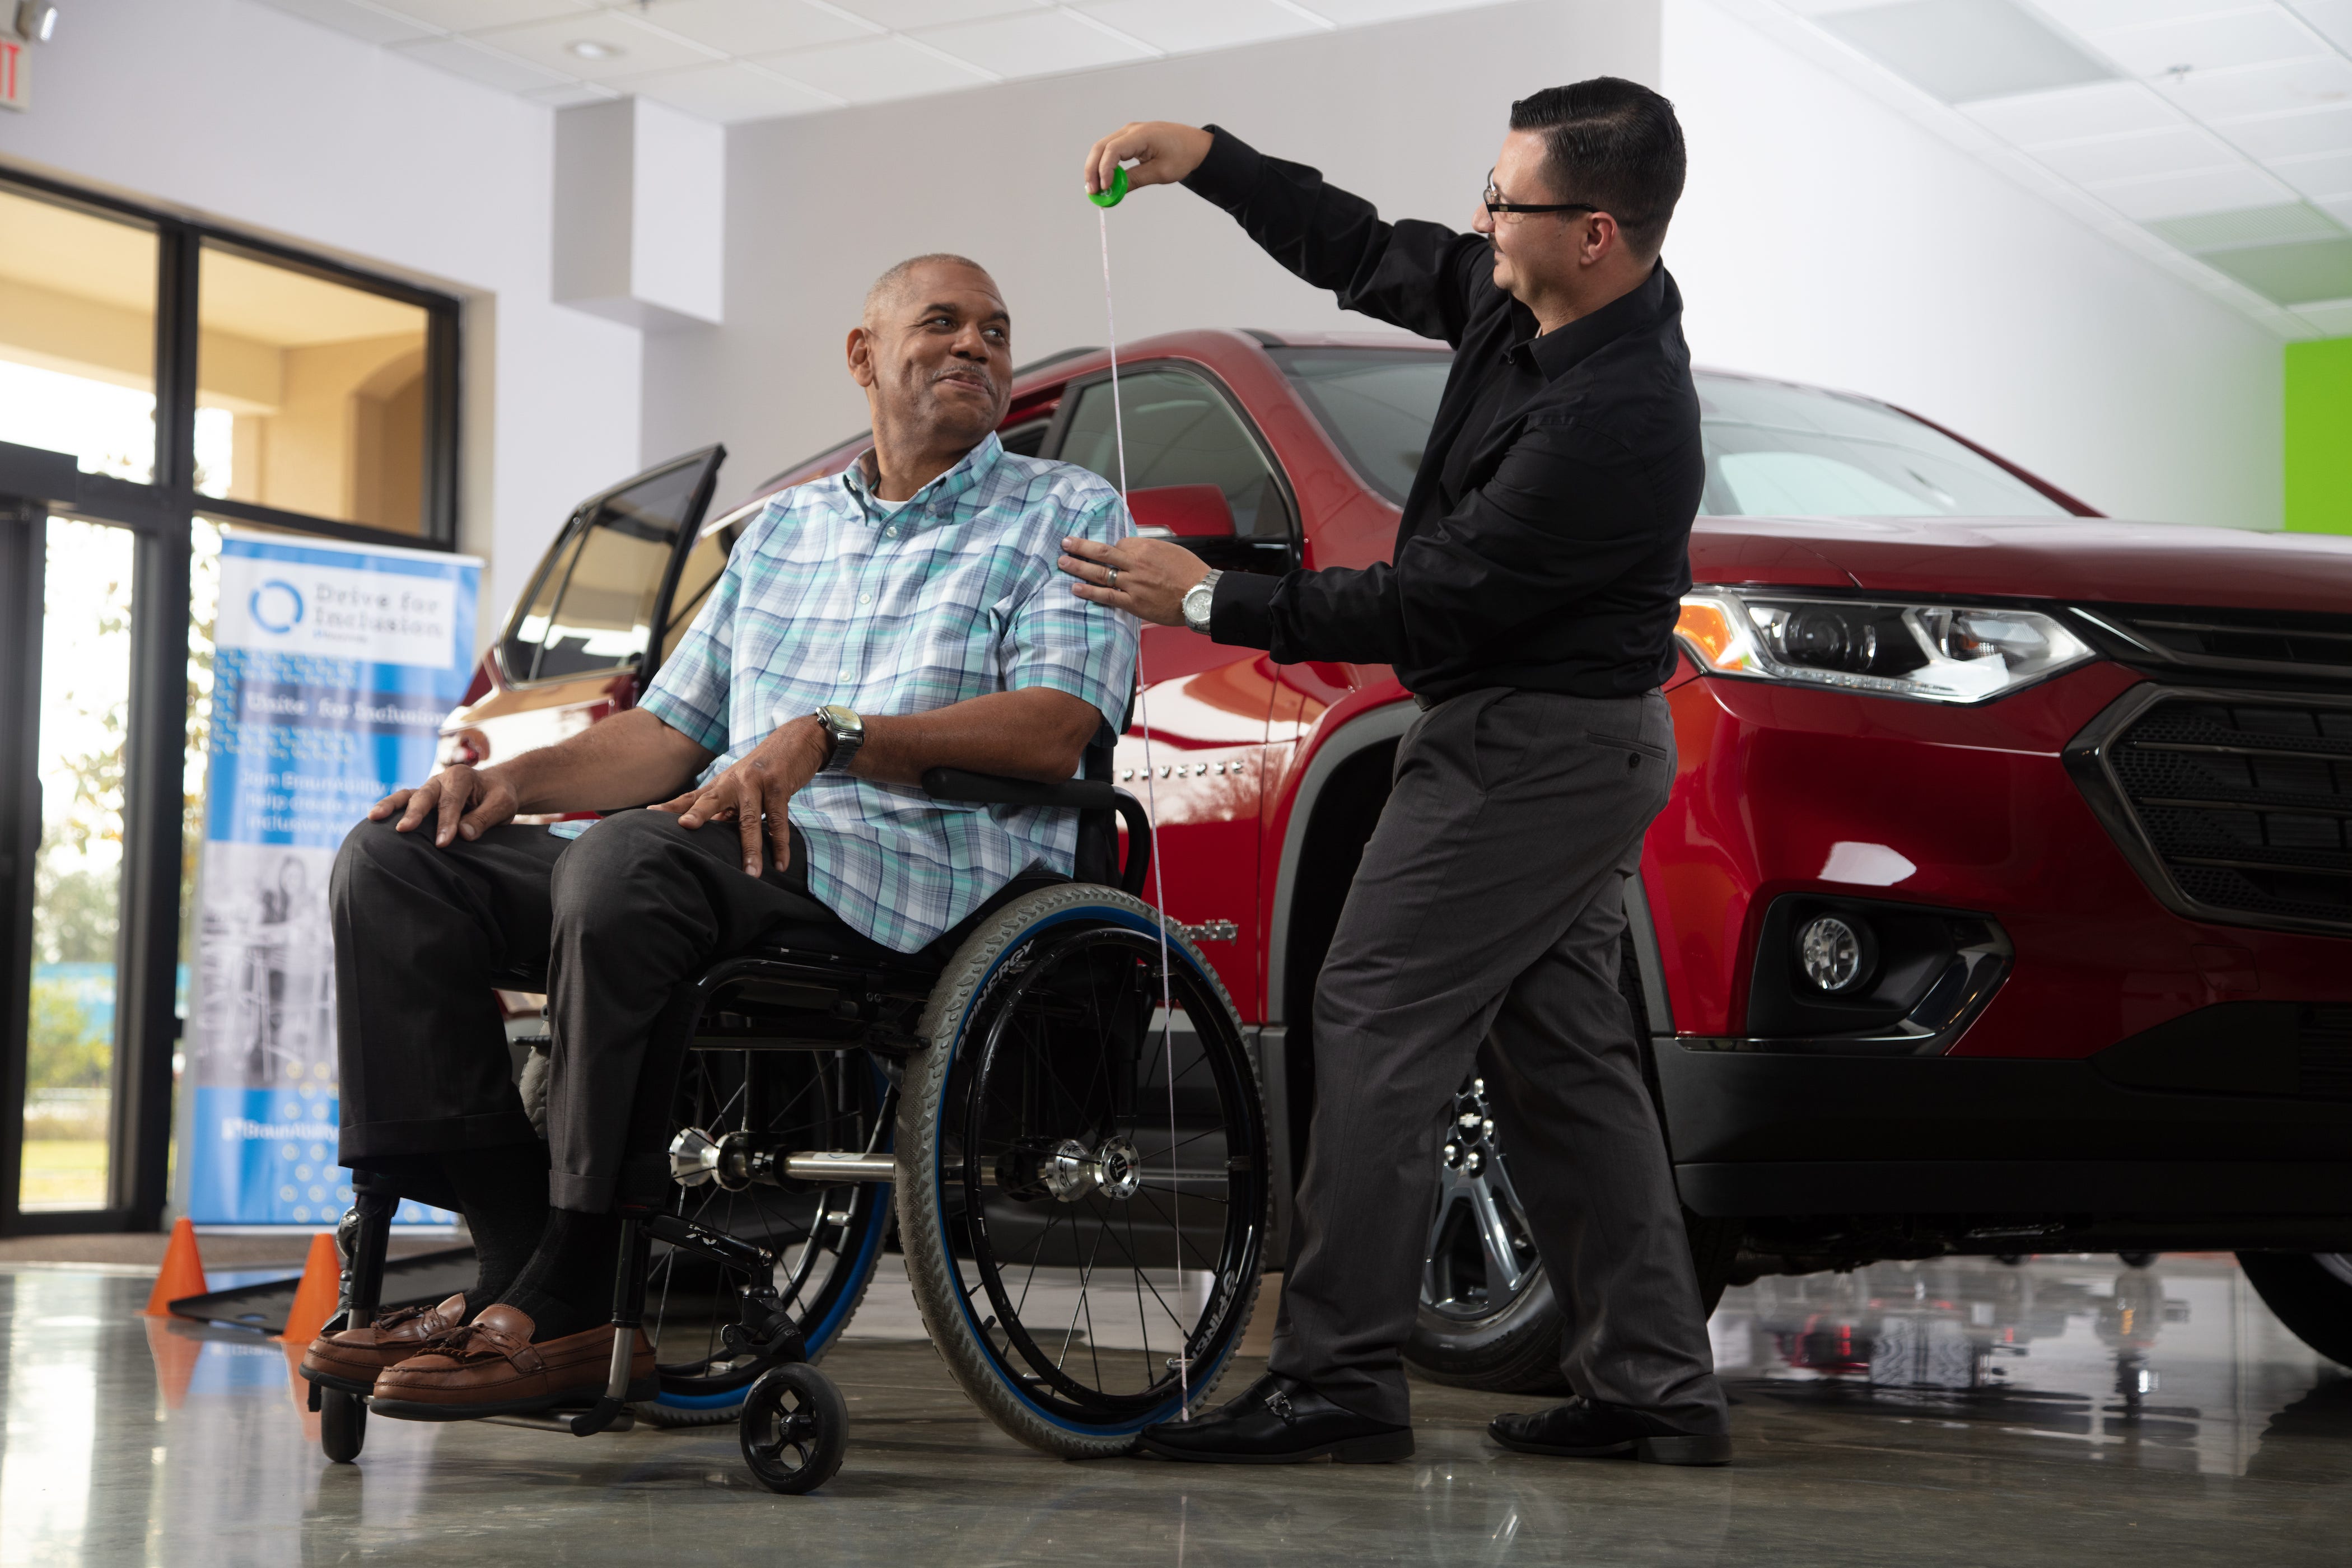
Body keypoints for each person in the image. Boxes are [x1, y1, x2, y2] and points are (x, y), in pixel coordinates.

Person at [302, 254, 1138, 1420]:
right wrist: (506, 778)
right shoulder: (785, 534)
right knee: (396, 860)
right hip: (726, 853)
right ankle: (518, 1241)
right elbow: (663, 732)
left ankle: (581, 1283)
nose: (976, 348)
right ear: (862, 356)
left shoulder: (1068, 510)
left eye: (995, 331)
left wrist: (832, 736)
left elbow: (1057, 729)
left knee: (627, 860)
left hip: (914, 872)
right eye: (942, 323)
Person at [1063, 80, 1730, 1466]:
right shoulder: (1526, 301)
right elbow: (1365, 247)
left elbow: (1428, 604)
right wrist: (1211, 162)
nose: (1483, 215)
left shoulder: (1619, 418)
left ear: (1596, 230)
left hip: (1528, 750)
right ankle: (1656, 1387)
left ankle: (1339, 1380)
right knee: (1565, 1062)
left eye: (1509, 199)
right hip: (1555, 743)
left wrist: (1204, 603)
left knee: (1371, 1009)